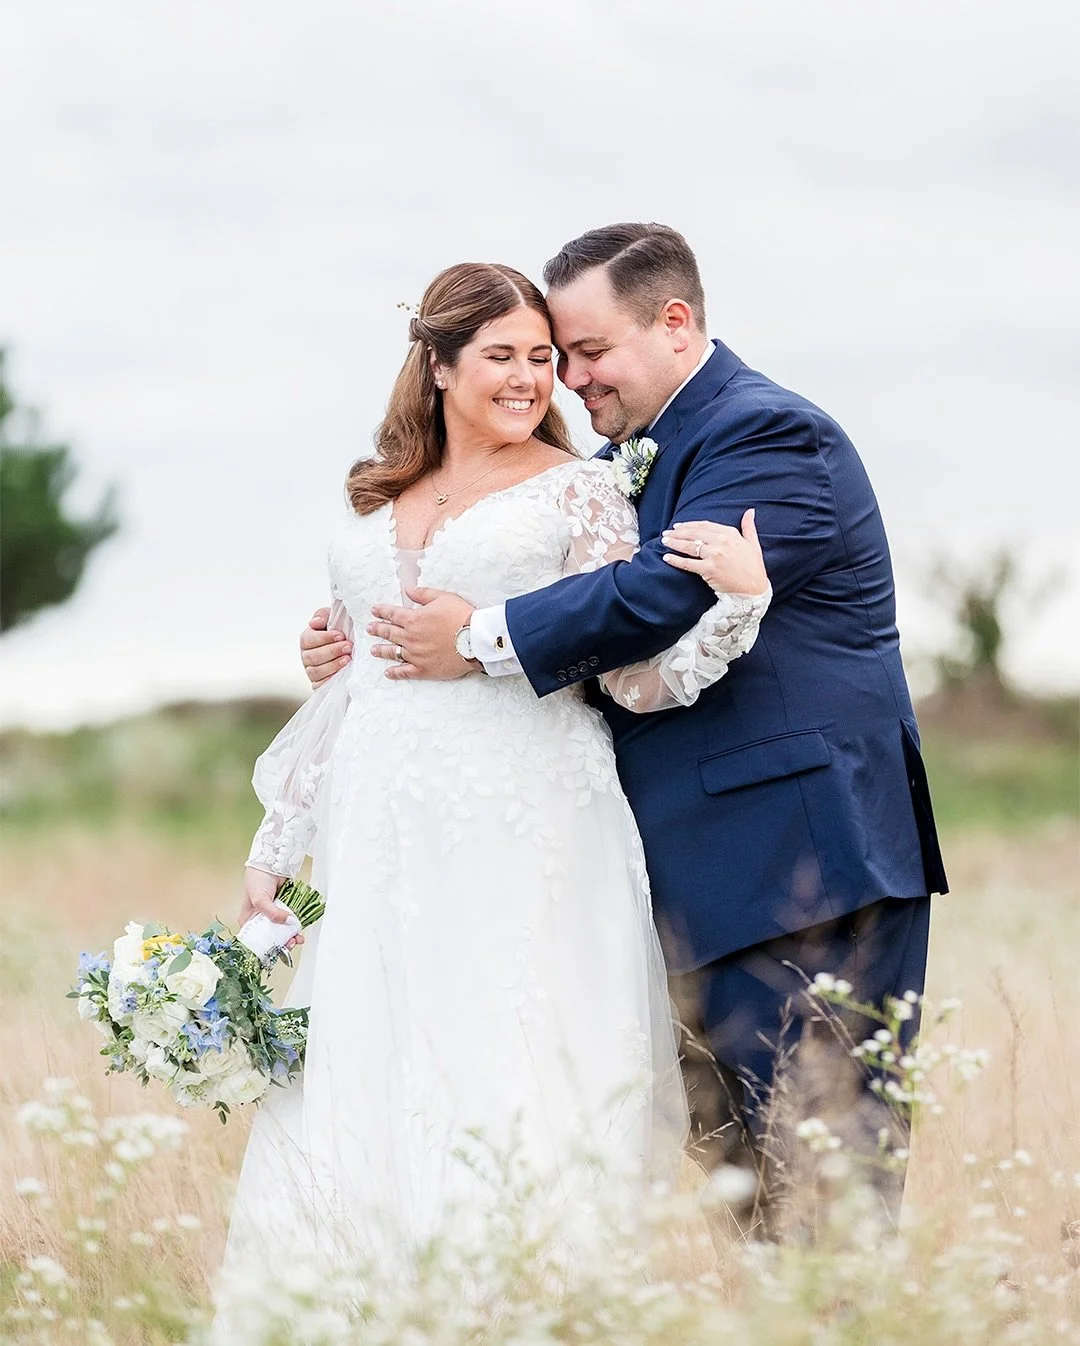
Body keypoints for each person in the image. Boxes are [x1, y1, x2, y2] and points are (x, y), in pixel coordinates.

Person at [304, 224, 949, 1228]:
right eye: (559, 354)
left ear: (676, 321)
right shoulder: (620, 459)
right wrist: (357, 646)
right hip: (679, 875)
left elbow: (660, 595)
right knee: (752, 1192)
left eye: (588, 350)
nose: (570, 376)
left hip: (798, 862)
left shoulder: (768, 431)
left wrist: (476, 634)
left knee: (828, 1179)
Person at [220, 260, 771, 1290]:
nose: (530, 380)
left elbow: (635, 672)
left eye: (542, 359)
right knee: (369, 1061)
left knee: (513, 1058)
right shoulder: (370, 501)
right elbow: (346, 694)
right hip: (378, 830)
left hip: (532, 821)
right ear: (436, 363)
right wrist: (275, 849)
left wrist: (735, 606)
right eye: (501, 357)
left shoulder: (586, 490)